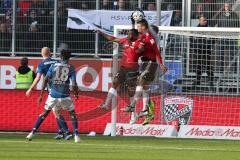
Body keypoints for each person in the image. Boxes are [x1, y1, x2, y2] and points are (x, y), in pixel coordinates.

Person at [122, 19, 168, 125]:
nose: (137, 28)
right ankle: (144, 110)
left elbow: (156, 52)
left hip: (151, 64)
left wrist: (160, 64)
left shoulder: (149, 38)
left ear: (143, 27)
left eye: (139, 26)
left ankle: (133, 106)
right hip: (142, 64)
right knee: (144, 88)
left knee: (140, 83)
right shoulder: (140, 37)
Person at [26, 47, 70, 141]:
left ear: (41, 53)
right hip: (60, 89)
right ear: (50, 53)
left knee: (50, 112)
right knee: (56, 111)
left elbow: (38, 78)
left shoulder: (41, 64)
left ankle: (66, 132)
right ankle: (61, 132)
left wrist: (30, 89)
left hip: (52, 91)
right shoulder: (56, 62)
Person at [38, 49, 80, 143]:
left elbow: (42, 79)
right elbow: (74, 83)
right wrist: (76, 93)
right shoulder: (70, 67)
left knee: (54, 112)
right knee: (70, 113)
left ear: (60, 57)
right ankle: (71, 133)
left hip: (52, 93)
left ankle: (64, 132)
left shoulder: (51, 65)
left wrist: (40, 94)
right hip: (65, 94)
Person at [97, 29, 141, 118]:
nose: (129, 35)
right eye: (128, 34)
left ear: (135, 36)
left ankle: (133, 113)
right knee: (114, 83)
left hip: (132, 70)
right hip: (123, 68)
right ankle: (106, 104)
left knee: (131, 91)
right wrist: (101, 32)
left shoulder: (139, 44)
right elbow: (112, 38)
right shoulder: (124, 40)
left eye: (131, 34)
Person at [191, 15, 214, 88]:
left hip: (207, 51)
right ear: (199, 21)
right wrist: (194, 47)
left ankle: (211, 82)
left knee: (208, 67)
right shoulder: (196, 29)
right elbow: (191, 39)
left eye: (204, 20)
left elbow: (213, 39)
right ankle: (197, 81)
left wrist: (208, 45)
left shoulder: (209, 29)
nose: (204, 21)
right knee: (198, 67)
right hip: (198, 51)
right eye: (202, 20)